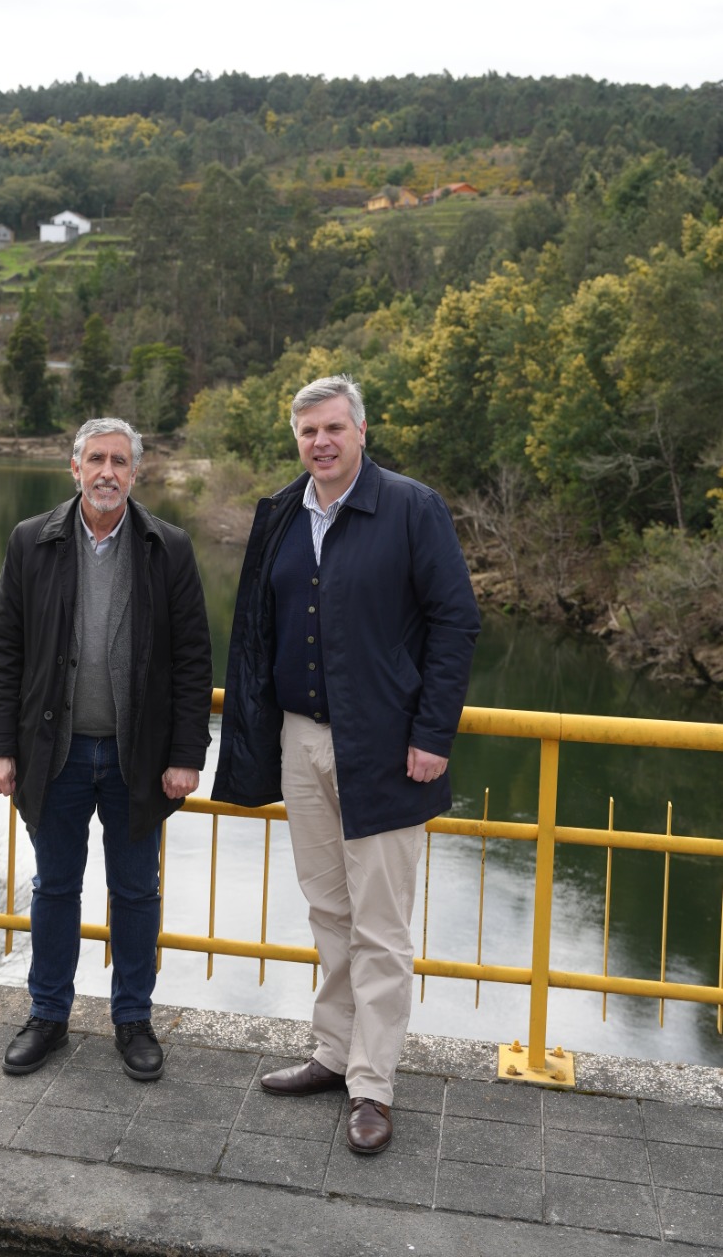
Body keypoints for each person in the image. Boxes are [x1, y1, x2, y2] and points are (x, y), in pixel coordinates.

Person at [213, 374, 480, 1154]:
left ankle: (373, 1085)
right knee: (329, 910)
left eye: (333, 429)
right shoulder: (280, 513)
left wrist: (433, 735)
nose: (320, 443)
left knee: (383, 928)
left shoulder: (410, 506)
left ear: (362, 430)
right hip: (302, 740)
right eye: (307, 433)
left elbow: (455, 623)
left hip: (388, 748)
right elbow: (258, 630)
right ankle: (332, 1053)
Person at [0, 417, 213, 1082]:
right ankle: (48, 1016)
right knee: (56, 886)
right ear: (73, 469)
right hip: (54, 753)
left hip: (138, 758)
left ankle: (132, 1020)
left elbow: (194, 659)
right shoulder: (33, 541)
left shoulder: (168, 546)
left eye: (120, 461)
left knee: (137, 891)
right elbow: (4, 650)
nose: (107, 471)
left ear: (136, 473)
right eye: (95, 459)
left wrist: (185, 753)